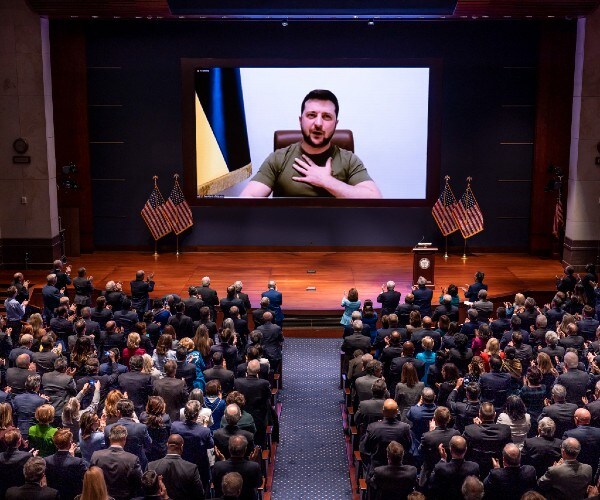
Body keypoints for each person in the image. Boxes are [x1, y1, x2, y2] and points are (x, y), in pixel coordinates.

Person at [240, 89, 381, 199]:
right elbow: (248, 197)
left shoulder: (349, 160)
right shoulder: (279, 158)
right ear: (301, 120)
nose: (318, 123)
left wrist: (327, 181)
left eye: (327, 117)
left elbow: (375, 199)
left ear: (336, 124)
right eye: (312, 115)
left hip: (334, 234)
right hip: (288, 233)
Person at [90, 424, 143, 500]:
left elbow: (92, 480)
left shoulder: (96, 456)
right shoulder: (132, 459)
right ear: (124, 439)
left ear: (109, 438)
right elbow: (138, 483)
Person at [171, 401, 214, 491]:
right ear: (197, 414)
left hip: (181, 463)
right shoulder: (204, 431)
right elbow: (210, 445)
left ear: (185, 413)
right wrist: (205, 426)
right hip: (200, 466)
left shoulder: (175, 426)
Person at [147, 433, 204, 500]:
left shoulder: (151, 466)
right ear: (182, 446)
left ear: (167, 445)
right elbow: (200, 494)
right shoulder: (192, 468)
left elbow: (147, 494)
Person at [104, 399, 152, 471]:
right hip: (138, 464)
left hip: (116, 465)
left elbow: (108, 448)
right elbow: (149, 444)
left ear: (118, 412)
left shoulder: (108, 429)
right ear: (132, 412)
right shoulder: (141, 427)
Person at [427, 435, 479, 500]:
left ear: (450, 449)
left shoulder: (441, 468)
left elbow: (431, 485)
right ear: (466, 449)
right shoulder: (474, 467)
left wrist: (443, 459)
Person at [211, 435, 263, 500]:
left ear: (229, 449)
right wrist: (252, 462)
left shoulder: (217, 466)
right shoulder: (254, 466)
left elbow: (215, 483)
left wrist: (223, 462)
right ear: (245, 450)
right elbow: (259, 484)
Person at [44, 428, 89, 500]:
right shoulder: (78, 462)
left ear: (55, 444)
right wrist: (72, 457)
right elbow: (86, 480)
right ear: (70, 444)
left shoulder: (46, 460)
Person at [139, 396, 171, 463]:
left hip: (147, 451)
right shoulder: (166, 418)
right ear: (162, 407)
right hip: (161, 451)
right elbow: (169, 434)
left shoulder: (143, 417)